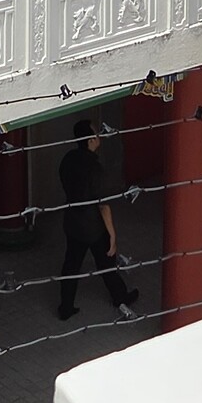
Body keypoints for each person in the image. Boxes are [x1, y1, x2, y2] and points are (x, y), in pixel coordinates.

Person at [57, 117, 140, 322]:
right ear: (90, 141)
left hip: (72, 220)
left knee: (71, 265)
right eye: (96, 133)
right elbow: (103, 205)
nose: (99, 135)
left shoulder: (68, 159)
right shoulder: (94, 168)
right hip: (92, 226)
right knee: (106, 263)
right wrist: (112, 235)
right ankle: (120, 297)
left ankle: (66, 306)